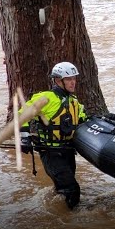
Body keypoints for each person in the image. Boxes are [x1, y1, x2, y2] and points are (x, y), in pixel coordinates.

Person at [19, 61, 87, 209]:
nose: (73, 82)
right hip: (51, 153)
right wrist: (24, 138)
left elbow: (82, 118)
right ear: (58, 80)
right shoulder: (46, 98)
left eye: (74, 78)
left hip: (68, 151)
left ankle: (59, 211)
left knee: (63, 187)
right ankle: (73, 222)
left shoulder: (73, 100)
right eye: (69, 79)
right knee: (72, 189)